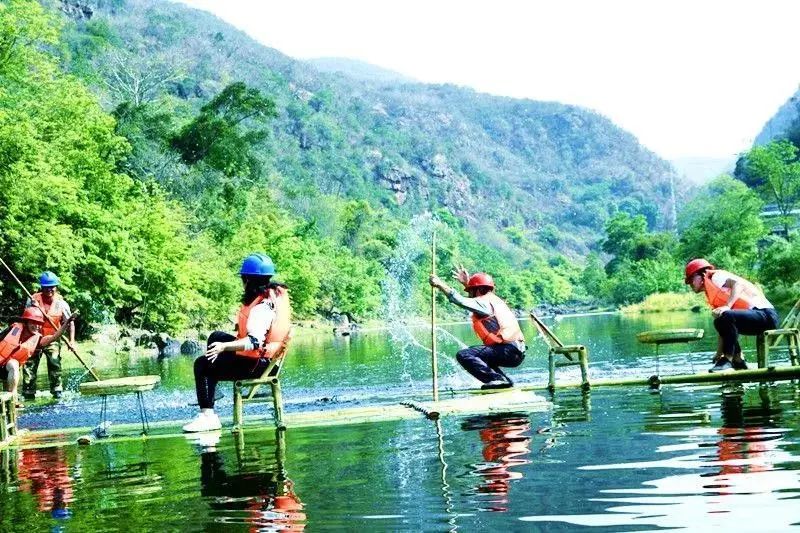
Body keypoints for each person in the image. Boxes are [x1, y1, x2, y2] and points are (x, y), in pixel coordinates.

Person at [183, 253, 292, 433]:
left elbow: (255, 342)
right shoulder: (273, 296)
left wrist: (224, 347)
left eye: (243, 279)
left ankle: (208, 416)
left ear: (248, 280)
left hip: (257, 364)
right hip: (266, 360)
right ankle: (212, 391)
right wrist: (222, 343)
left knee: (202, 364)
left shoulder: (261, 307)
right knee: (216, 336)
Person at [429, 266, 526, 389]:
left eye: (470, 291)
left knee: (464, 355)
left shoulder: (484, 302)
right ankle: (504, 381)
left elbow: (460, 301)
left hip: (508, 351)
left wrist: (439, 284)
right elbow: (474, 301)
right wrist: (467, 283)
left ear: (479, 290)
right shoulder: (492, 300)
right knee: (480, 356)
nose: (469, 293)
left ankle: (497, 380)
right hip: (515, 352)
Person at [684, 258, 778, 372]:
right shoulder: (712, 291)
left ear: (701, 274)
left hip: (766, 316)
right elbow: (724, 327)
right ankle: (737, 360)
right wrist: (718, 353)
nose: (690, 284)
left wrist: (727, 306)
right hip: (754, 320)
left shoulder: (716, 276)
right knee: (719, 320)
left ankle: (728, 360)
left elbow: (737, 284)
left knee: (724, 316)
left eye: (691, 280)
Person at [0, 307, 75, 406]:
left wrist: (66, 324)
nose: (37, 326)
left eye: (39, 323)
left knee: (14, 364)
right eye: (33, 323)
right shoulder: (12, 329)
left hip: (7, 369)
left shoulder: (37, 339)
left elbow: (54, 337)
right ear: (26, 322)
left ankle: (13, 401)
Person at [23, 271, 75, 400]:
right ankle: (28, 393)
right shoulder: (33, 300)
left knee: (54, 362)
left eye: (52, 287)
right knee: (29, 365)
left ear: (56, 287)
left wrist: (72, 341)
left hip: (53, 337)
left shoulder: (62, 303)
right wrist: (33, 308)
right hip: (33, 338)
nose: (49, 290)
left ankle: (57, 390)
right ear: (42, 287)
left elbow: (70, 323)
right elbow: (25, 318)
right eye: (46, 287)